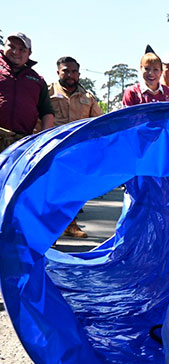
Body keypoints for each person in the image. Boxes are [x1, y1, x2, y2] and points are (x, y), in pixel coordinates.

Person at [48, 56, 103, 238]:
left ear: (78, 74)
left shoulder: (88, 97)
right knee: (51, 190)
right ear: (58, 72)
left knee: (74, 190)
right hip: (53, 150)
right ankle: (49, 231)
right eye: (66, 71)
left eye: (73, 71)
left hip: (78, 153)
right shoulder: (47, 91)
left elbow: (99, 123)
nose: (70, 75)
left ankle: (70, 225)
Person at [0, 32, 54, 150]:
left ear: (29, 53)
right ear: (4, 46)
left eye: (22, 49)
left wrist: (44, 141)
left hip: (21, 144)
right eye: (12, 47)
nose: (15, 52)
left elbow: (47, 112)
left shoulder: (37, 80)